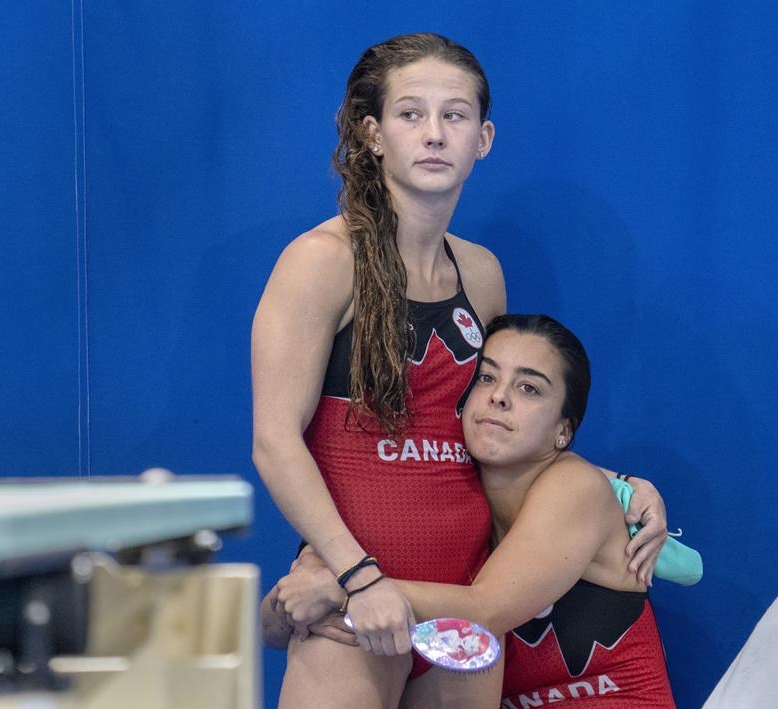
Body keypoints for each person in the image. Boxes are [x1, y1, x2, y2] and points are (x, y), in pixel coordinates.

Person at [251, 34, 668, 708]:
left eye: (455, 115)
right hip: (356, 604)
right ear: (373, 133)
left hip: (462, 614)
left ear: (484, 137)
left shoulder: (481, 273)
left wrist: (613, 487)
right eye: (411, 114)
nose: (435, 134)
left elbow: (494, 427)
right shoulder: (320, 262)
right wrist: (357, 574)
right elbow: (274, 439)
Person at [265, 315, 678, 707]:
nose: (499, 396)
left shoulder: (576, 488)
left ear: (564, 430)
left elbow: (487, 609)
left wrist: (348, 585)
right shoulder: (453, 504)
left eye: (529, 388)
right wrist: (302, 595)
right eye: (486, 377)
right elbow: (273, 629)